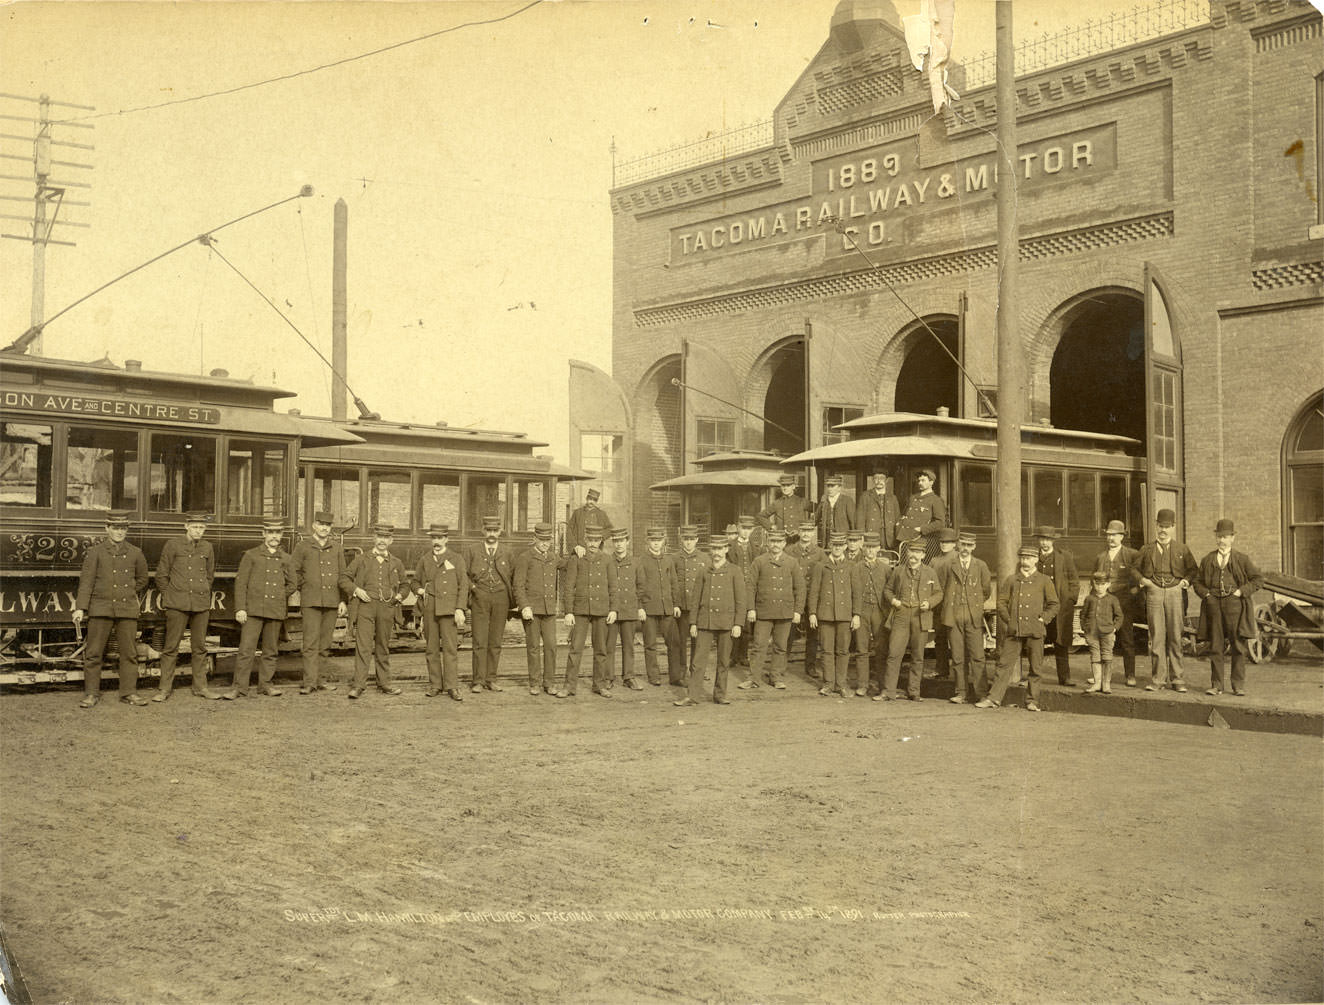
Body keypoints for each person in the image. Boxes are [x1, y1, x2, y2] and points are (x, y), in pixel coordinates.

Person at [73, 511, 150, 708]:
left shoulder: (135, 552)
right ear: (107, 529)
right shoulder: (95, 552)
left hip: (126, 609)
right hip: (100, 607)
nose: (119, 532)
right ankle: (91, 694)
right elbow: (86, 582)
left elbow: (143, 579)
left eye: (123, 529)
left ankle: (129, 693)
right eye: (115, 528)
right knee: (94, 652)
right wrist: (80, 607)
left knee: (129, 653)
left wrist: (129, 590)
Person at [977, 544, 1060, 711]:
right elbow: (1001, 602)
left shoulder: (1044, 580)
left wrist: (1043, 619)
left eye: (1028, 558)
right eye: (1022, 558)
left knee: (1035, 668)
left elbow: (1054, 604)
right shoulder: (1012, 580)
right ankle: (993, 698)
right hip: (1014, 631)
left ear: (1036, 560)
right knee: (1003, 665)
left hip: (1035, 630)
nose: (1025, 561)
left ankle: (1032, 701)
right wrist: (1009, 620)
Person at [152, 510, 221, 701]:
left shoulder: (207, 547)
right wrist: (170, 595)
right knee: (170, 647)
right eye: (195, 527)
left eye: (201, 527)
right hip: (177, 604)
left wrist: (203, 591)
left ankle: (201, 687)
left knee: (199, 647)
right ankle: (164, 689)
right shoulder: (172, 545)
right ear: (186, 527)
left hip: (200, 604)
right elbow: (161, 575)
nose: (198, 531)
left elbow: (209, 575)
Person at [1193, 519, 1263, 697]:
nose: (1222, 540)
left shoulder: (1242, 559)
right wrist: (1207, 595)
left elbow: (1257, 580)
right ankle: (1216, 685)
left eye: (1225, 537)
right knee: (1215, 646)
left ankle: (1238, 685)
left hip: (1235, 605)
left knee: (1238, 646)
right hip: (1214, 605)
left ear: (1233, 538)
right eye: (1219, 537)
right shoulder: (1208, 559)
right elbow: (1197, 582)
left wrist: (1241, 592)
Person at [675, 534, 746, 707]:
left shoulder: (735, 571)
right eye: (714, 549)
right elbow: (695, 599)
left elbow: (741, 600)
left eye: (720, 548)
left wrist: (738, 623)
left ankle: (720, 694)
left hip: (726, 622)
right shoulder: (703, 571)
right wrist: (693, 623)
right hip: (705, 622)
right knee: (698, 661)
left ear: (726, 549)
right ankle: (693, 696)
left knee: (723, 660)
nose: (717, 552)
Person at [1134, 508, 1199, 693]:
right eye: (1160, 526)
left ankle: (1178, 679)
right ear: (1156, 526)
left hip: (1175, 593)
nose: (1163, 530)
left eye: (1167, 527)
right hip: (1153, 593)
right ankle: (1158, 680)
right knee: (1156, 638)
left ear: (1173, 527)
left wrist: (1185, 582)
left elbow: (1193, 570)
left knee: (1175, 637)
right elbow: (1133, 569)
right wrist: (1143, 581)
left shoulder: (1182, 549)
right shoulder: (1146, 549)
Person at [230, 518, 297, 699]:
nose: (274, 536)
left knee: (270, 650)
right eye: (271, 533)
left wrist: (278, 595)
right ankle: (240, 687)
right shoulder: (251, 555)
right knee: (246, 649)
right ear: (264, 534)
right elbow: (241, 583)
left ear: (281, 535)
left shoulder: (286, 558)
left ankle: (265, 685)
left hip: (275, 611)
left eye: (277, 533)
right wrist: (240, 609)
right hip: (252, 610)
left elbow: (293, 584)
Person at [344, 523, 407, 699]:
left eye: (386, 538)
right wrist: (357, 590)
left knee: (383, 646)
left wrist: (399, 597)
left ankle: (384, 683)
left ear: (391, 540)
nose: (382, 541)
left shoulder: (397, 563)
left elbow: (405, 585)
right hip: (365, 607)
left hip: (387, 608)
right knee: (363, 647)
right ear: (374, 538)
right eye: (379, 537)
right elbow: (344, 579)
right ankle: (358, 685)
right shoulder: (361, 559)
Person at [876, 540, 942, 702]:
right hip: (901, 615)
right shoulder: (898, 571)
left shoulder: (930, 573)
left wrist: (929, 603)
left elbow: (938, 593)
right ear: (907, 554)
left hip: (921, 616)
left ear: (923, 555)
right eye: (911, 552)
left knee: (918, 656)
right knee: (894, 653)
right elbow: (887, 590)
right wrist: (894, 601)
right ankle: (888, 691)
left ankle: (914, 692)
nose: (913, 556)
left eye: (917, 552)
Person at [290, 509, 347, 695]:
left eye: (328, 525)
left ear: (331, 528)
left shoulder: (336, 547)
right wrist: (305, 587)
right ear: (314, 525)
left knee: (324, 644)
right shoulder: (303, 546)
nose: (324, 528)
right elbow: (294, 572)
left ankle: (320, 680)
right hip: (311, 601)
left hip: (331, 601)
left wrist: (343, 600)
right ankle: (309, 682)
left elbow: (343, 575)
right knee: (310, 643)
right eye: (321, 524)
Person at [744, 527, 804, 690]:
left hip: (785, 612)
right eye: (772, 541)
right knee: (759, 645)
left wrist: (798, 611)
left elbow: (800, 588)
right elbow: (750, 587)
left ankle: (776, 677)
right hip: (763, 612)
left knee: (780, 646)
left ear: (784, 543)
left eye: (779, 541)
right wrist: (751, 609)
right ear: (768, 543)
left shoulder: (792, 562)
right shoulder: (759, 561)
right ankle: (754, 678)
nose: (775, 544)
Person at [560, 526, 618, 698]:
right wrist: (568, 611)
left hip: (601, 610)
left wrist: (613, 609)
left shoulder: (607, 560)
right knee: (575, 648)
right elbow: (568, 587)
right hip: (580, 610)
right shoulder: (577, 559)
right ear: (585, 539)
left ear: (601, 540)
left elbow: (613, 587)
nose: (593, 543)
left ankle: (599, 685)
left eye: (596, 540)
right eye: (590, 540)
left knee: (600, 649)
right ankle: (569, 686)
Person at [464, 515, 515, 693]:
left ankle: (491, 679)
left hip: (501, 599)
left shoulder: (507, 551)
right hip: (480, 598)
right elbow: (464, 575)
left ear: (500, 531)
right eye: (489, 530)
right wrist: (474, 588)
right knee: (479, 640)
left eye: (495, 530)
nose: (492, 534)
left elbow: (513, 575)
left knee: (495, 641)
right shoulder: (472, 550)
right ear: (483, 531)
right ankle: (477, 680)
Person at [418, 523, 468, 701]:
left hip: (449, 610)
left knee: (450, 649)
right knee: (431, 649)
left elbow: (464, 586)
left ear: (446, 539)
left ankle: (452, 686)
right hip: (431, 608)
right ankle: (435, 685)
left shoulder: (456, 559)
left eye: (440, 538)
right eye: (434, 538)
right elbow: (415, 582)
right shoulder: (425, 559)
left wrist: (460, 608)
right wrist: (419, 590)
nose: (436, 541)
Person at [942, 530, 992, 704]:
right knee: (957, 656)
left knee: (977, 656)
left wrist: (973, 604)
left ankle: (981, 693)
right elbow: (942, 588)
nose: (965, 548)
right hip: (953, 616)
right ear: (958, 545)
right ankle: (961, 693)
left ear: (974, 547)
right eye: (963, 544)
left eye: (969, 545)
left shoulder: (981, 566)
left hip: (972, 616)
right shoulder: (950, 564)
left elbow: (986, 591)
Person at [808, 532, 859, 697]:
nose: (837, 548)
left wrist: (856, 614)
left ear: (845, 547)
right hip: (825, 615)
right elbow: (814, 591)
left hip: (844, 616)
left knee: (843, 651)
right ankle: (828, 683)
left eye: (840, 545)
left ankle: (841, 684)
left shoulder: (851, 566)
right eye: (834, 545)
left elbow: (856, 593)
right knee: (826, 650)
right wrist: (813, 613)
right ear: (831, 546)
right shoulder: (821, 566)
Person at [1094, 519, 1142, 686]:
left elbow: (1138, 581)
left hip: (1124, 604)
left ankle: (1130, 675)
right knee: (1103, 639)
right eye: (1108, 535)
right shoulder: (1100, 557)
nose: (1110, 538)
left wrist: (1131, 595)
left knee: (1127, 639)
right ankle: (1100, 675)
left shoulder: (1132, 554)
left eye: (1114, 535)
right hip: (1105, 603)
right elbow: (1096, 579)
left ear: (1122, 536)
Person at [513, 522, 559, 696]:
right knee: (533, 647)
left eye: (548, 540)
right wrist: (524, 606)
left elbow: (568, 565)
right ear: (534, 539)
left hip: (549, 611)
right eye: (541, 540)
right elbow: (518, 585)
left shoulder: (554, 557)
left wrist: (578, 551)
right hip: (531, 611)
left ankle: (549, 683)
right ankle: (534, 683)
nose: (545, 543)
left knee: (551, 646)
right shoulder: (525, 557)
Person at [1035, 525, 1081, 687]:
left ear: (1053, 541)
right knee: (1036, 642)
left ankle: (1065, 677)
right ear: (1038, 540)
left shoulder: (1064, 557)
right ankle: (1036, 677)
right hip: (1041, 607)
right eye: (1042, 539)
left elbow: (1074, 580)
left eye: (1048, 539)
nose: (1045, 543)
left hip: (1061, 607)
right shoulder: (1033, 557)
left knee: (1061, 642)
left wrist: (1070, 600)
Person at [851, 532, 890, 696]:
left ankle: (883, 685)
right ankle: (862, 685)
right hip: (862, 611)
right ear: (863, 547)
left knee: (881, 650)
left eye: (873, 547)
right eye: (867, 547)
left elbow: (890, 591)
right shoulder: (856, 568)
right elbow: (853, 592)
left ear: (879, 549)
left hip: (879, 613)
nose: (870, 551)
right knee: (861, 649)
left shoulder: (886, 568)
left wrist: (888, 614)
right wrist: (856, 614)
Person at [606, 528, 646, 691]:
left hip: (629, 610)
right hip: (611, 611)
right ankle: (608, 677)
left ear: (627, 542)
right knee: (609, 646)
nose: (619, 545)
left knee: (628, 646)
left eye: (622, 541)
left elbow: (641, 587)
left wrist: (639, 607)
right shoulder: (607, 561)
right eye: (616, 541)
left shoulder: (636, 563)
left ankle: (628, 677)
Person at [667, 525, 708, 686]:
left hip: (698, 608)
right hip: (682, 608)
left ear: (697, 540)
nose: (689, 542)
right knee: (681, 641)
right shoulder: (674, 558)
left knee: (698, 642)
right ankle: (681, 672)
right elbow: (672, 583)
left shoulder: (705, 559)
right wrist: (676, 604)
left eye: (692, 539)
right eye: (686, 539)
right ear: (681, 540)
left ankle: (696, 671)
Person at [636, 527, 676, 686]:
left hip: (667, 608)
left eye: (659, 541)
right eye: (653, 541)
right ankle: (654, 676)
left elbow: (673, 583)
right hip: (649, 609)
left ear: (663, 542)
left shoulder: (668, 560)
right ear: (648, 542)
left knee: (673, 642)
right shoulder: (642, 561)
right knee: (650, 644)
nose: (656, 544)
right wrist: (640, 607)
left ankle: (676, 676)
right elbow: (638, 585)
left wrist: (676, 604)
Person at [789, 520, 825, 680]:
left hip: (812, 595)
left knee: (813, 632)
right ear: (798, 531)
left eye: (809, 531)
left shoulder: (819, 553)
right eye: (803, 530)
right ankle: (781, 664)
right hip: (794, 595)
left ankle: (810, 665)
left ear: (813, 533)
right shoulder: (789, 550)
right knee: (788, 630)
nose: (805, 534)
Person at [728, 516, 761, 680]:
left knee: (747, 624)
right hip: (733, 587)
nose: (746, 531)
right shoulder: (729, 547)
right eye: (743, 528)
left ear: (752, 530)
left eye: (749, 529)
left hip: (749, 589)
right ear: (738, 528)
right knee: (734, 621)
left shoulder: (755, 548)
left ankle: (743, 655)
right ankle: (732, 656)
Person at [1081, 571, 1123, 694]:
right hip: (1092, 633)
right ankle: (1096, 683)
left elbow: (1119, 616)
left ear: (1108, 584)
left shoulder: (1113, 599)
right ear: (1093, 584)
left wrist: (1114, 628)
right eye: (1097, 584)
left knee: (1107, 657)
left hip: (1107, 633)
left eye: (1103, 584)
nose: (1100, 587)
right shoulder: (1089, 599)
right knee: (1095, 657)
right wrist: (1085, 628)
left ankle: (1106, 684)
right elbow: (1083, 615)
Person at [894, 468, 947, 563]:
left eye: (923, 480)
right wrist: (898, 525)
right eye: (919, 480)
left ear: (931, 482)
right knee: (902, 565)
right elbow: (904, 515)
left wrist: (921, 529)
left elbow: (940, 523)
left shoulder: (936, 500)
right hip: (903, 537)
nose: (920, 483)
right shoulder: (913, 497)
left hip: (919, 540)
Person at [929, 527, 960, 681]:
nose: (944, 545)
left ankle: (959, 672)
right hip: (938, 605)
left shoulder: (957, 559)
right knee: (939, 638)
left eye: (948, 542)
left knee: (955, 639)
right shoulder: (934, 560)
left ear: (954, 544)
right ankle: (942, 669)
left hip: (953, 604)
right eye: (942, 542)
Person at [856, 472, 900, 551]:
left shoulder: (893, 498)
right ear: (873, 480)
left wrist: (897, 537)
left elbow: (897, 519)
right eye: (876, 478)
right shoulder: (865, 496)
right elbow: (860, 519)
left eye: (882, 478)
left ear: (886, 480)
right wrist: (861, 537)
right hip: (871, 535)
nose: (879, 481)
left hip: (889, 537)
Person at [566, 487, 613, 557]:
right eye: (590, 499)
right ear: (586, 499)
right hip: (580, 549)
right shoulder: (577, 513)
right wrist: (575, 546)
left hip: (596, 549)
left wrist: (600, 537)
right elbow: (569, 530)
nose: (591, 502)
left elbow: (610, 529)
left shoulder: (601, 514)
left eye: (594, 500)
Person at [815, 474, 856, 542]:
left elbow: (853, 522)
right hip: (827, 539)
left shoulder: (847, 500)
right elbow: (816, 519)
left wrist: (853, 539)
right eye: (828, 486)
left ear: (839, 488)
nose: (830, 489)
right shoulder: (824, 500)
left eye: (832, 486)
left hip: (842, 538)